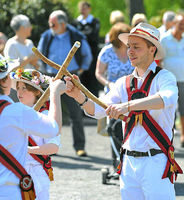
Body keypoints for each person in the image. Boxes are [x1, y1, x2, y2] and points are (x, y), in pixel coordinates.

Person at [65, 22, 182, 199]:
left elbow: (166, 99)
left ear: (152, 50)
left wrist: (127, 106)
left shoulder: (165, 77)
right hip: (128, 162)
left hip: (155, 161)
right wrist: (78, 96)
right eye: (129, 47)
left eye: (136, 47)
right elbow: (98, 110)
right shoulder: (123, 83)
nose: (130, 51)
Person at [0, 48, 64, 199]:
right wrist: (55, 93)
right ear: (4, 81)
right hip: (9, 193)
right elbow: (54, 129)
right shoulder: (18, 111)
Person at [38, 10, 92, 157]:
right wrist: (44, 74)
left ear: (62, 24)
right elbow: (40, 55)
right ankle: (49, 146)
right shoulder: (47, 36)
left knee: (75, 112)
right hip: (51, 77)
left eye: (53, 23)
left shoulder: (76, 36)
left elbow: (87, 54)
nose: (50, 26)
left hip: (69, 77)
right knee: (48, 112)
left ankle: (79, 147)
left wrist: (80, 70)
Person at [10, 68, 60, 200]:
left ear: (37, 92)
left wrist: (28, 149)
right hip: (14, 169)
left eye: (24, 88)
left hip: (36, 172)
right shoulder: (13, 111)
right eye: (18, 87)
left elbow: (53, 147)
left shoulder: (44, 116)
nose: (19, 92)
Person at [95, 22, 134, 174]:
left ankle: (133, 162)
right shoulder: (107, 52)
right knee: (115, 129)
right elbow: (98, 73)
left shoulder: (133, 51)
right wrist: (109, 83)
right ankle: (117, 163)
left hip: (132, 94)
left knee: (132, 128)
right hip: (114, 95)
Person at [160, 14, 184, 149]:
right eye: (180, 23)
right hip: (169, 82)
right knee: (169, 111)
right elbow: (159, 60)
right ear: (173, 23)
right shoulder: (164, 39)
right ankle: (168, 139)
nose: (183, 26)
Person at [75, 1, 101, 97]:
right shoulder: (76, 22)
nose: (83, 10)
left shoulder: (94, 22)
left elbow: (93, 36)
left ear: (89, 9)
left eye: (85, 8)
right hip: (80, 56)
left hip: (93, 55)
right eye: (81, 8)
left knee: (92, 80)